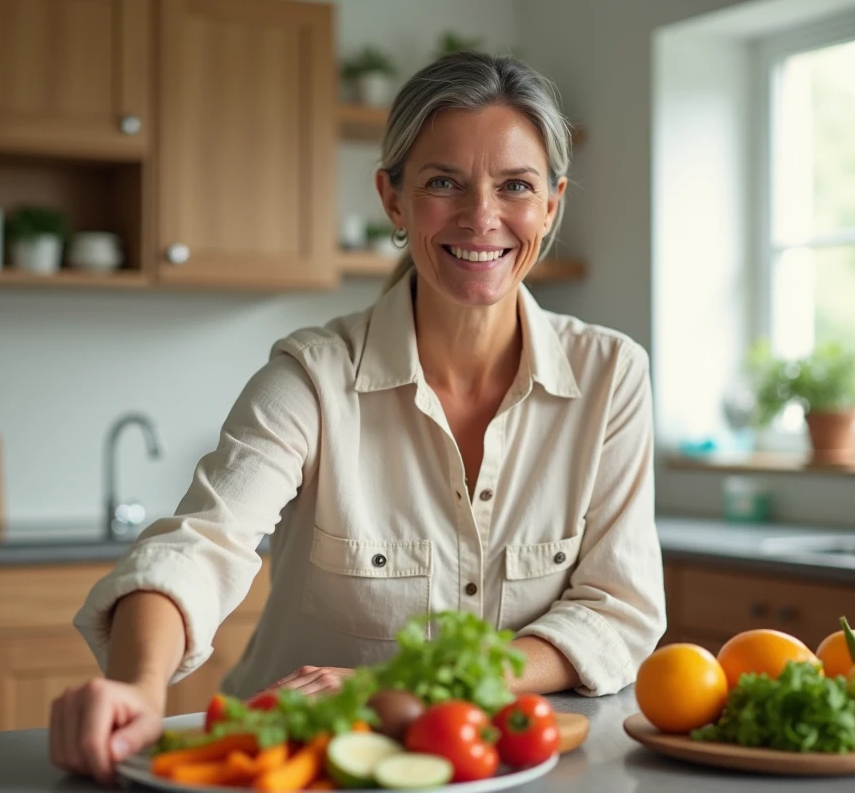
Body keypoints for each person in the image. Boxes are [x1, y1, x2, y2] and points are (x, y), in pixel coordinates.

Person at [49, 51, 666, 785]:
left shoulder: (610, 376)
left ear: (552, 205)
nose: (482, 217)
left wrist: (405, 688)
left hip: (500, 768)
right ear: (394, 200)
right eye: (444, 183)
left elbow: (616, 610)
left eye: (515, 187)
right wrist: (138, 687)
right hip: (294, 768)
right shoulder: (313, 375)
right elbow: (202, 544)